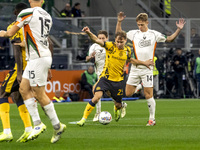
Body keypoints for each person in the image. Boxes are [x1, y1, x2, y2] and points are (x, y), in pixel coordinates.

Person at [0, 0, 66, 143]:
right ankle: (37, 124)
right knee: (23, 88)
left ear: (30, 0)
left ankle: (57, 125)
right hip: (37, 57)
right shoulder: (47, 15)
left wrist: (3, 33)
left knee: (39, 93)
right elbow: (41, 38)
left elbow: (10, 33)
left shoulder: (26, 12)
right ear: (42, 1)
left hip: (38, 58)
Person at [116, 12, 185, 126]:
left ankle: (152, 119)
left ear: (147, 22)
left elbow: (169, 39)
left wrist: (178, 30)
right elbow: (119, 33)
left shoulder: (154, 34)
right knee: (127, 93)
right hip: (135, 68)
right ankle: (139, 86)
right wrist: (119, 21)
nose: (140, 26)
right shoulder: (134, 33)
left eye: (142, 24)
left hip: (147, 68)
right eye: (138, 24)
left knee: (149, 95)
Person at [77, 26, 154, 126]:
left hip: (118, 81)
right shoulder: (110, 46)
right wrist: (88, 32)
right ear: (115, 40)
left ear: (125, 41)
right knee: (96, 96)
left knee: (118, 104)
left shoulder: (127, 50)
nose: (119, 44)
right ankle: (83, 119)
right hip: (105, 78)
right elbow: (95, 40)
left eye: (121, 42)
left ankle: (117, 108)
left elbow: (130, 60)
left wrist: (144, 63)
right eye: (117, 41)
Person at [0, 2, 32, 143]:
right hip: (34, 66)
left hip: (22, 67)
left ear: (17, 12)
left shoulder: (15, 27)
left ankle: (7, 131)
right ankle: (29, 129)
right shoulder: (33, 26)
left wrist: (19, 72)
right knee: (17, 96)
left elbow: (17, 50)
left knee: (2, 93)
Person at [86, 30, 108, 122]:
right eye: (99, 38)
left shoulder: (110, 46)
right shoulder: (94, 46)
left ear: (107, 38)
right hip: (99, 73)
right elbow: (86, 59)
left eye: (103, 38)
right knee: (96, 92)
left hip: (110, 73)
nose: (101, 40)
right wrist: (90, 57)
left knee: (109, 93)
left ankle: (120, 104)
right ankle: (98, 112)